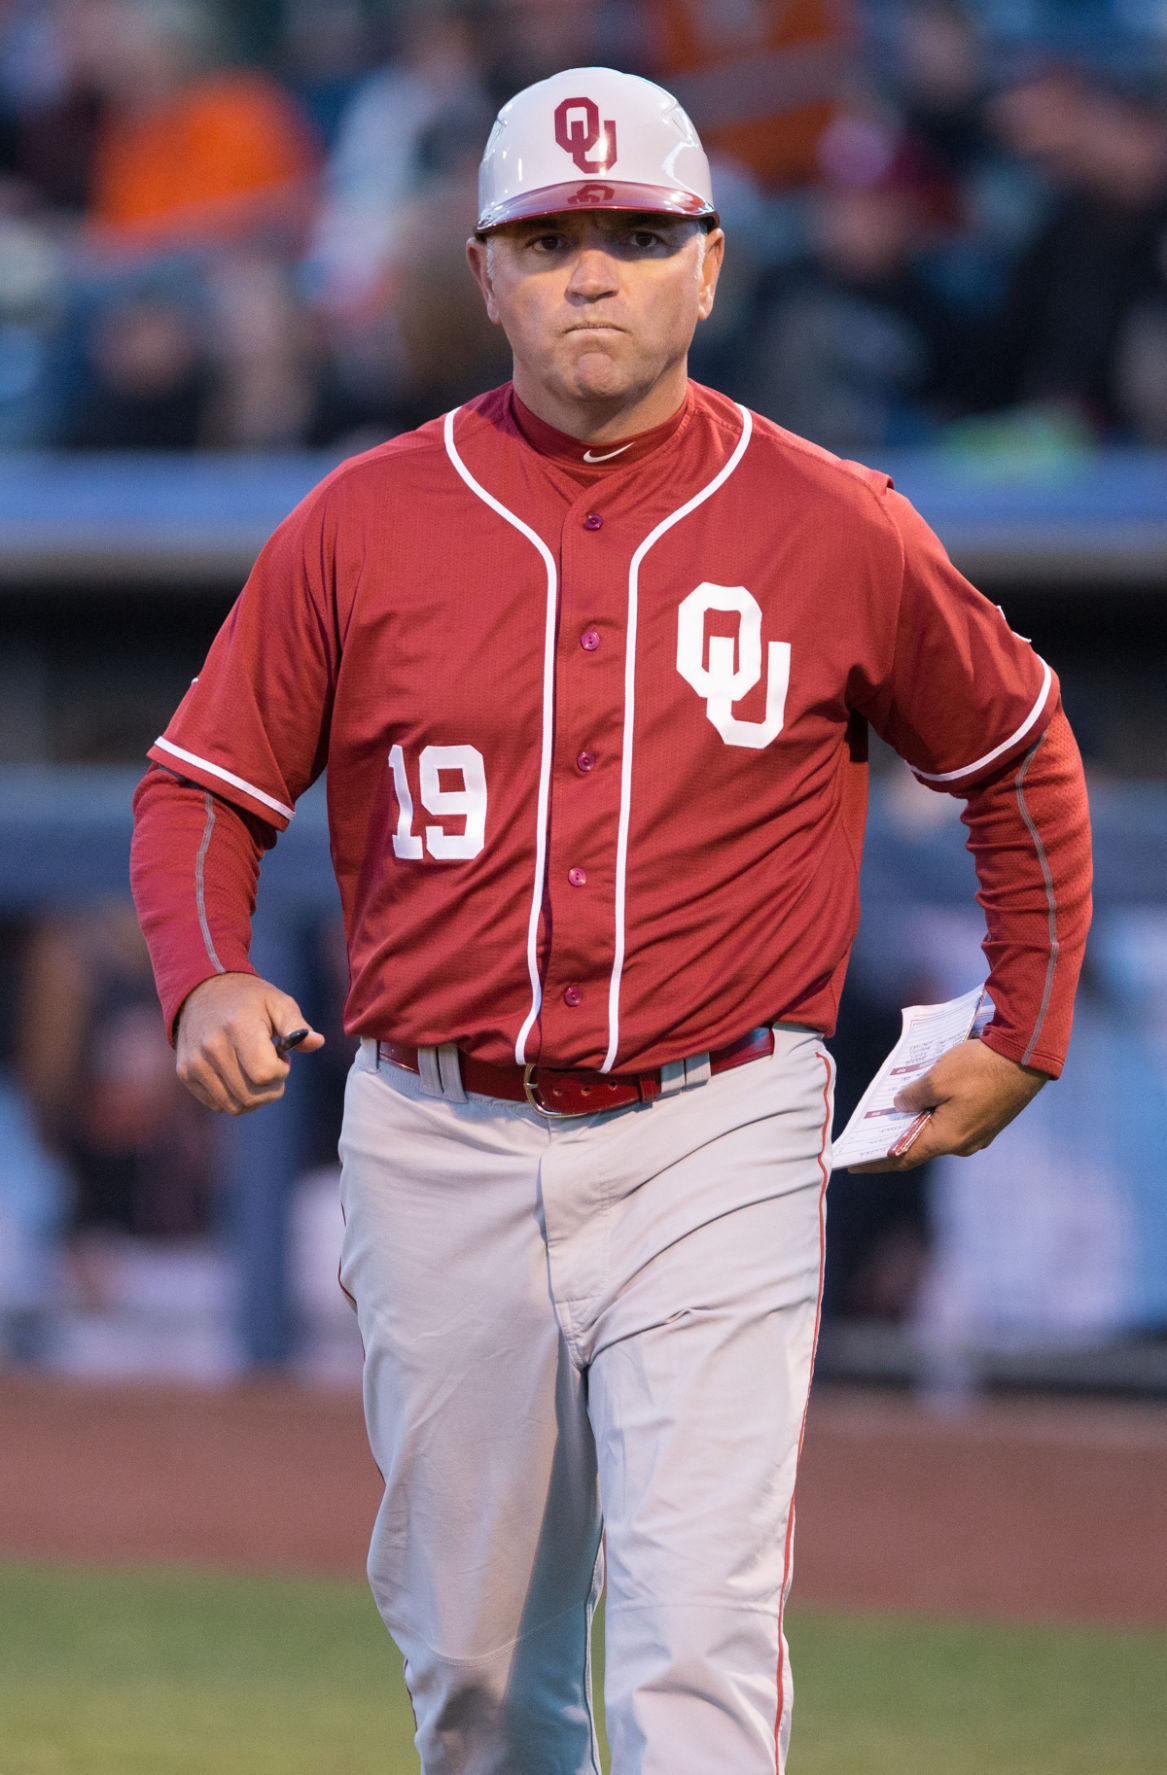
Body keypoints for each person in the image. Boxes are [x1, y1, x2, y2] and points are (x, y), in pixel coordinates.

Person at [130, 66, 1092, 1775]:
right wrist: (203, 974)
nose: (595, 273)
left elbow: (1015, 750)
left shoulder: (836, 520)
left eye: (640, 238)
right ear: (486, 274)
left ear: (710, 266)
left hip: (720, 1122)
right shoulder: (360, 519)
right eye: (552, 239)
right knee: (482, 1688)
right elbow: (202, 788)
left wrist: (1028, 1018)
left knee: (692, 1647)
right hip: (437, 1131)